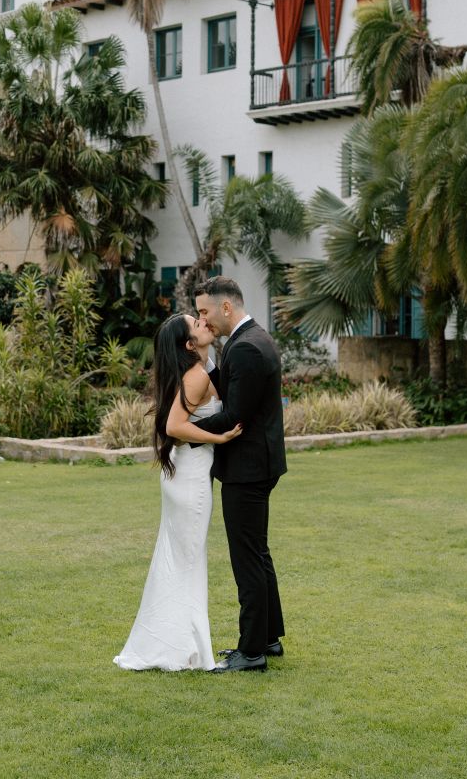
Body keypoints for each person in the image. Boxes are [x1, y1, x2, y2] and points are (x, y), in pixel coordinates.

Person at [113, 313, 242, 672]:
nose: (204, 322)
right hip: (190, 477)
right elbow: (175, 426)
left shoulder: (198, 369)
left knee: (180, 559)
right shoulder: (196, 376)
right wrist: (218, 438)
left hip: (183, 474)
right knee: (188, 560)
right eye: (196, 325)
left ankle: (176, 642)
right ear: (188, 344)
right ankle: (186, 649)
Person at [193, 276, 287, 673]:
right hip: (258, 464)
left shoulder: (247, 347)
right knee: (257, 554)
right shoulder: (250, 341)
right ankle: (268, 637)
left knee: (246, 559)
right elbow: (233, 393)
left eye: (204, 312)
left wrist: (185, 435)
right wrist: (207, 361)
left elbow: (234, 416)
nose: (202, 319)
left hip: (247, 469)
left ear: (225, 307)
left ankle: (251, 652)